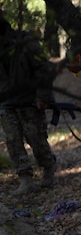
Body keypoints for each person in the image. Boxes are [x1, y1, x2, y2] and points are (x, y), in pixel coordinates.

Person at [0, 15, 58, 195]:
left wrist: (43, 96)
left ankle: (49, 165)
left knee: (36, 138)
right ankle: (25, 179)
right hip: (6, 102)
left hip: (30, 100)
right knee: (13, 141)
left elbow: (44, 69)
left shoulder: (25, 43)